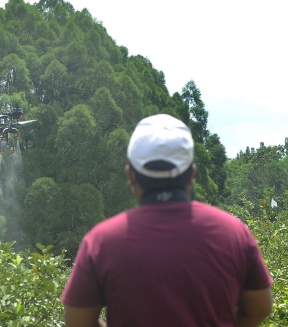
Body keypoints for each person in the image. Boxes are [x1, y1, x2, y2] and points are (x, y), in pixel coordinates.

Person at [61, 114, 273, 327]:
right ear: (191, 174)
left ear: (130, 176)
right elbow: (260, 308)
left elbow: (77, 322)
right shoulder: (233, 233)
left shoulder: (101, 241)